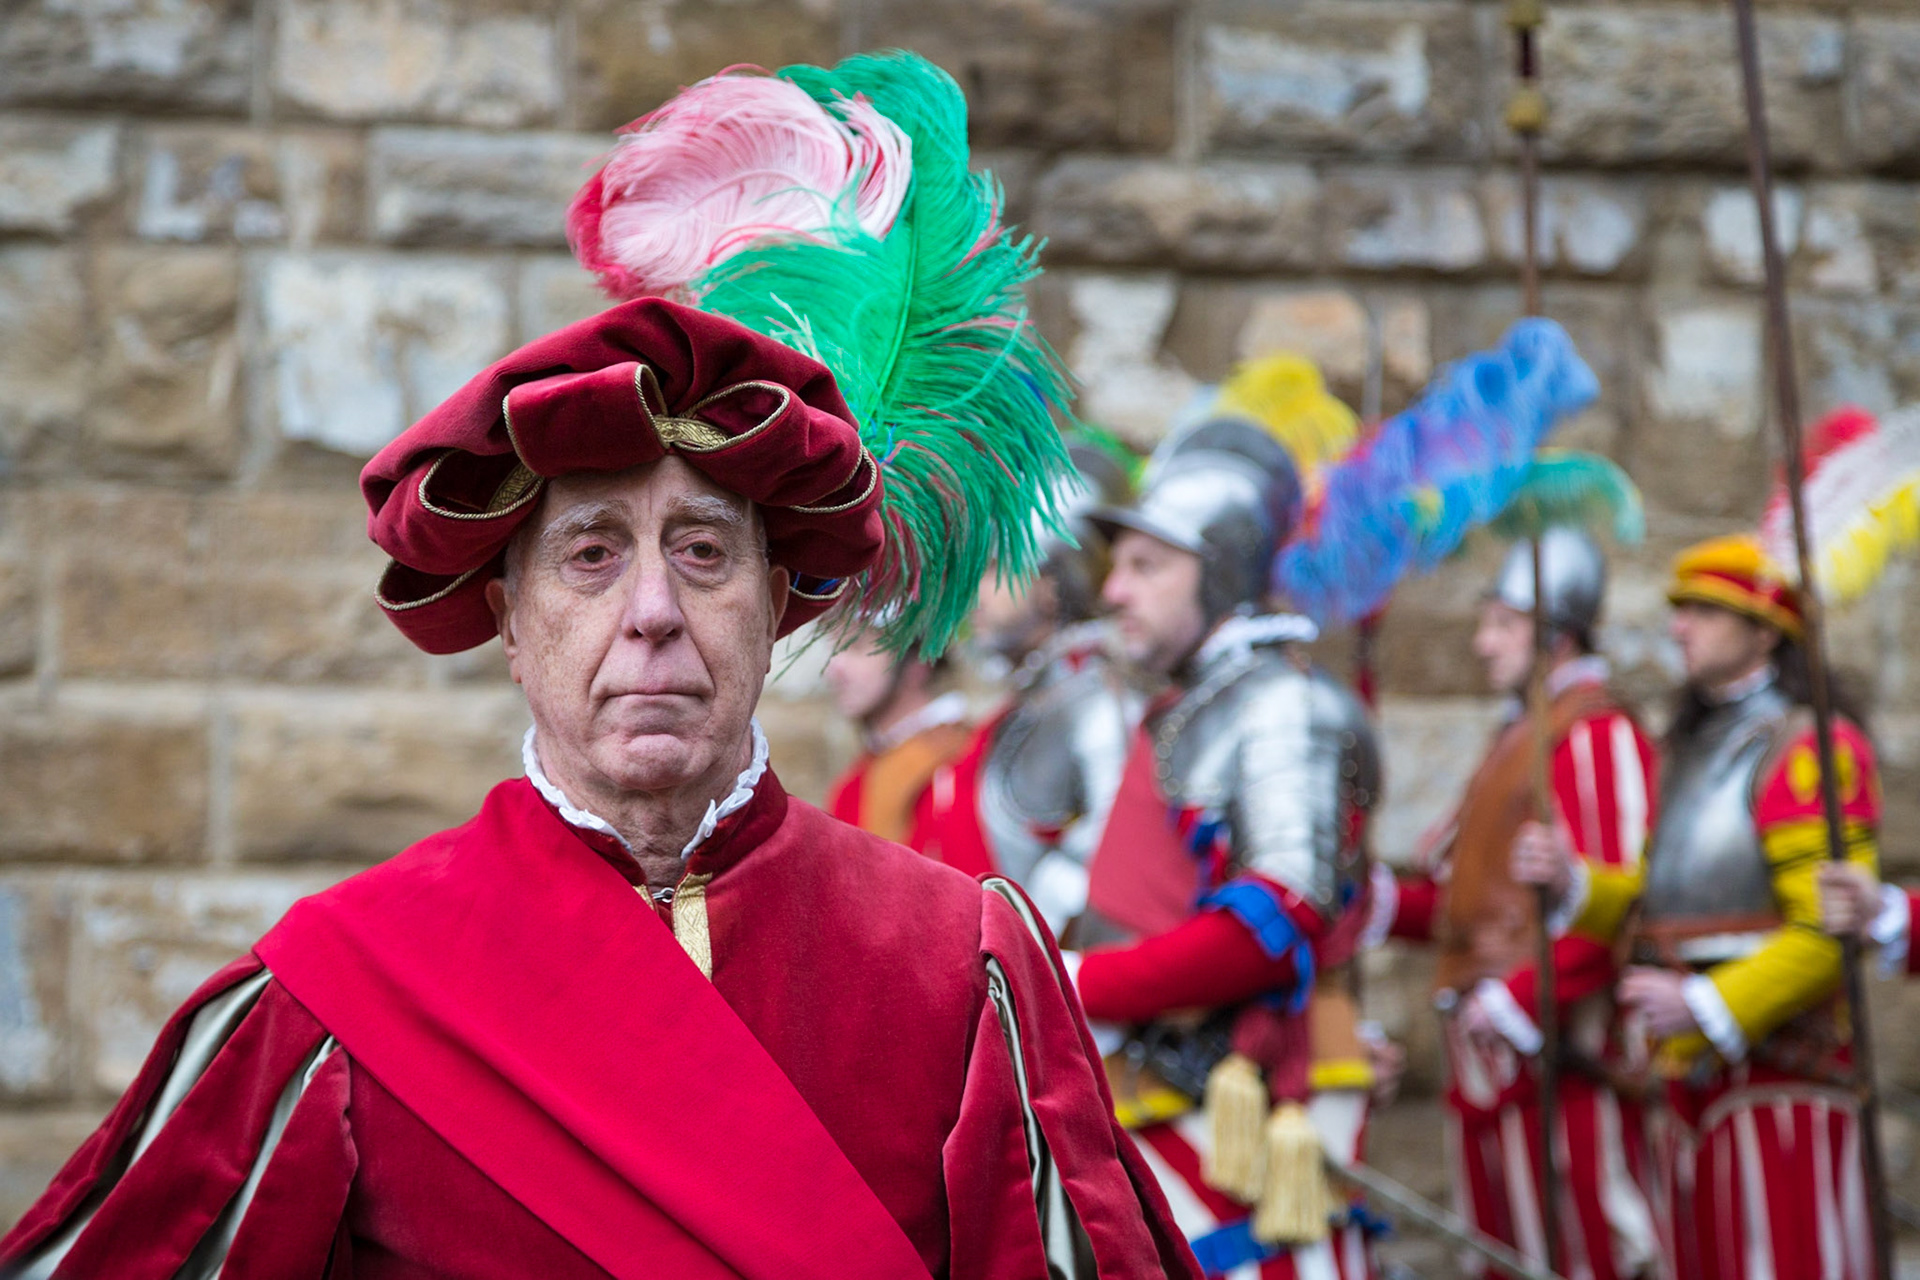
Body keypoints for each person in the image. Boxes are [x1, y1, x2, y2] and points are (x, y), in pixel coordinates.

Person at [1, 93, 1199, 1279]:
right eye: (590, 552)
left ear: (778, 601)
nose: (653, 610)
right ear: (509, 617)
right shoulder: (338, 993)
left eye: (703, 549)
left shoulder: (961, 964)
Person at [1060, 417, 1383, 1280]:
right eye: (1116, 566)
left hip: (1241, 1100)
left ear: (1223, 572)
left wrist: (1079, 981)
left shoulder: (1282, 705)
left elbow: (1279, 917)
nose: (1115, 591)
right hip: (1162, 1089)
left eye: (1146, 566)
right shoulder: (1191, 705)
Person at [1515, 533, 1881, 1280]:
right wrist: (1575, 885)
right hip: (1690, 1081)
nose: (1680, 626)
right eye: (1680, 610)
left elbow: (1827, 931)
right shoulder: (1686, 749)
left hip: (1780, 1081)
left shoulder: (1808, 748)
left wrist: (1710, 1002)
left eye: (1707, 611)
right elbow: (1663, 907)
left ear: (1765, 630)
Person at [1368, 529, 1659, 1279]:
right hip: (1494, 1066)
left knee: (1579, 1253)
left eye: (1503, 622)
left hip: (1562, 1062)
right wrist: (1374, 901)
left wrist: (1522, 998)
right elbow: (1468, 903)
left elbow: (1618, 907)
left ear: (1556, 637)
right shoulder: (1519, 736)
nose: (1481, 641)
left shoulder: (1593, 731)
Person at [922, 439, 1146, 925]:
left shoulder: (1094, 700)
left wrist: (1021, 941)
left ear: (1050, 586)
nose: (976, 594)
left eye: (996, 571)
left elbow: (1110, 852)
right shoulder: (1034, 699)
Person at [821, 628, 973, 859]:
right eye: (835, 648)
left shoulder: (965, 762)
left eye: (856, 647)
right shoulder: (852, 785)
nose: (834, 668)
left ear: (919, 661)